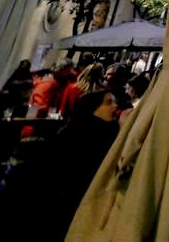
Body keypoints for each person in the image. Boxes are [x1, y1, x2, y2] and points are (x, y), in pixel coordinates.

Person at [40, 90, 120, 238]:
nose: (115, 106)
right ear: (93, 108)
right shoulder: (94, 134)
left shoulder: (78, 130)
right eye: (109, 102)